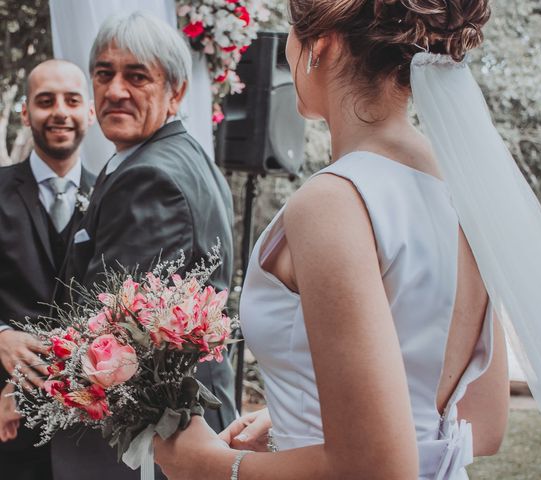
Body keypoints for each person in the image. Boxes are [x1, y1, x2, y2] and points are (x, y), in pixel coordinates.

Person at [155, 1, 512, 479]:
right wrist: (301, 421)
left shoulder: (333, 202)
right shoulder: (463, 191)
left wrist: (211, 465)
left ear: (319, 46)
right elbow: (482, 426)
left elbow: (373, 469)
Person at [55, 11, 236, 480]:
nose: (116, 90)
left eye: (137, 76)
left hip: (162, 445)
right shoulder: (179, 154)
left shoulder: (150, 177)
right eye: (104, 74)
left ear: (175, 92)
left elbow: (112, 340)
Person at [0, 59, 96, 480]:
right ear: (26, 113)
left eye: (72, 100)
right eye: (45, 101)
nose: (59, 111)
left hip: (90, 427)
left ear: (89, 113)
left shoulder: (115, 197)